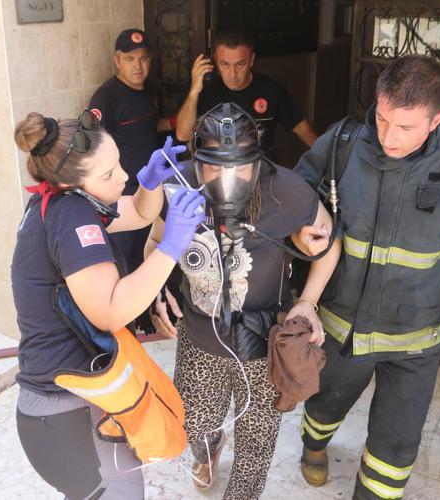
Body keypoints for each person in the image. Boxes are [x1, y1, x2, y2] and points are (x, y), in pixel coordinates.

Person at [287, 54, 440, 499]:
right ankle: (313, 448)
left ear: (437, 120)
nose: (389, 137)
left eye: (406, 127)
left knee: (394, 447)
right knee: (323, 406)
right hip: (341, 325)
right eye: (382, 119)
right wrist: (300, 229)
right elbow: (297, 194)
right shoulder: (342, 144)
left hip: (414, 339)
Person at [146, 102, 340, 500]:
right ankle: (209, 449)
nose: (227, 180)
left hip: (264, 340)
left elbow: (329, 241)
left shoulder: (284, 189)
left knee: (256, 442)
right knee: (195, 424)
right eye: (214, 167)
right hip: (200, 335)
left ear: (257, 161)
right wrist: (156, 289)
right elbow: (154, 240)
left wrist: (308, 302)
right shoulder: (179, 184)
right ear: (199, 161)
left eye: (240, 168)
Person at [11, 110, 203, 499]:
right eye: (108, 174)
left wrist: (150, 183)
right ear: (70, 182)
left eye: (119, 164)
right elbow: (110, 312)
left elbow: (140, 212)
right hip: (64, 413)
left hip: (65, 404)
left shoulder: (60, 201)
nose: (123, 177)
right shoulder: (72, 217)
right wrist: (170, 247)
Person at [88, 29, 174, 280]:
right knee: (123, 260)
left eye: (143, 58)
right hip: (122, 195)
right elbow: (91, 144)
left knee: (145, 253)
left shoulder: (149, 91)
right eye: (130, 59)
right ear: (117, 60)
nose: (138, 66)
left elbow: (147, 126)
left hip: (148, 190)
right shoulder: (107, 96)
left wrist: (178, 123)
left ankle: (146, 304)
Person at [175, 28, 318, 162]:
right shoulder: (206, 92)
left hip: (263, 172)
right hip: (219, 172)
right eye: (225, 64)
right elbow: (183, 135)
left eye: (240, 64)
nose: (233, 74)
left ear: (252, 59)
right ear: (215, 60)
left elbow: (301, 127)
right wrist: (194, 92)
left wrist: (326, 158)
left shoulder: (271, 90)